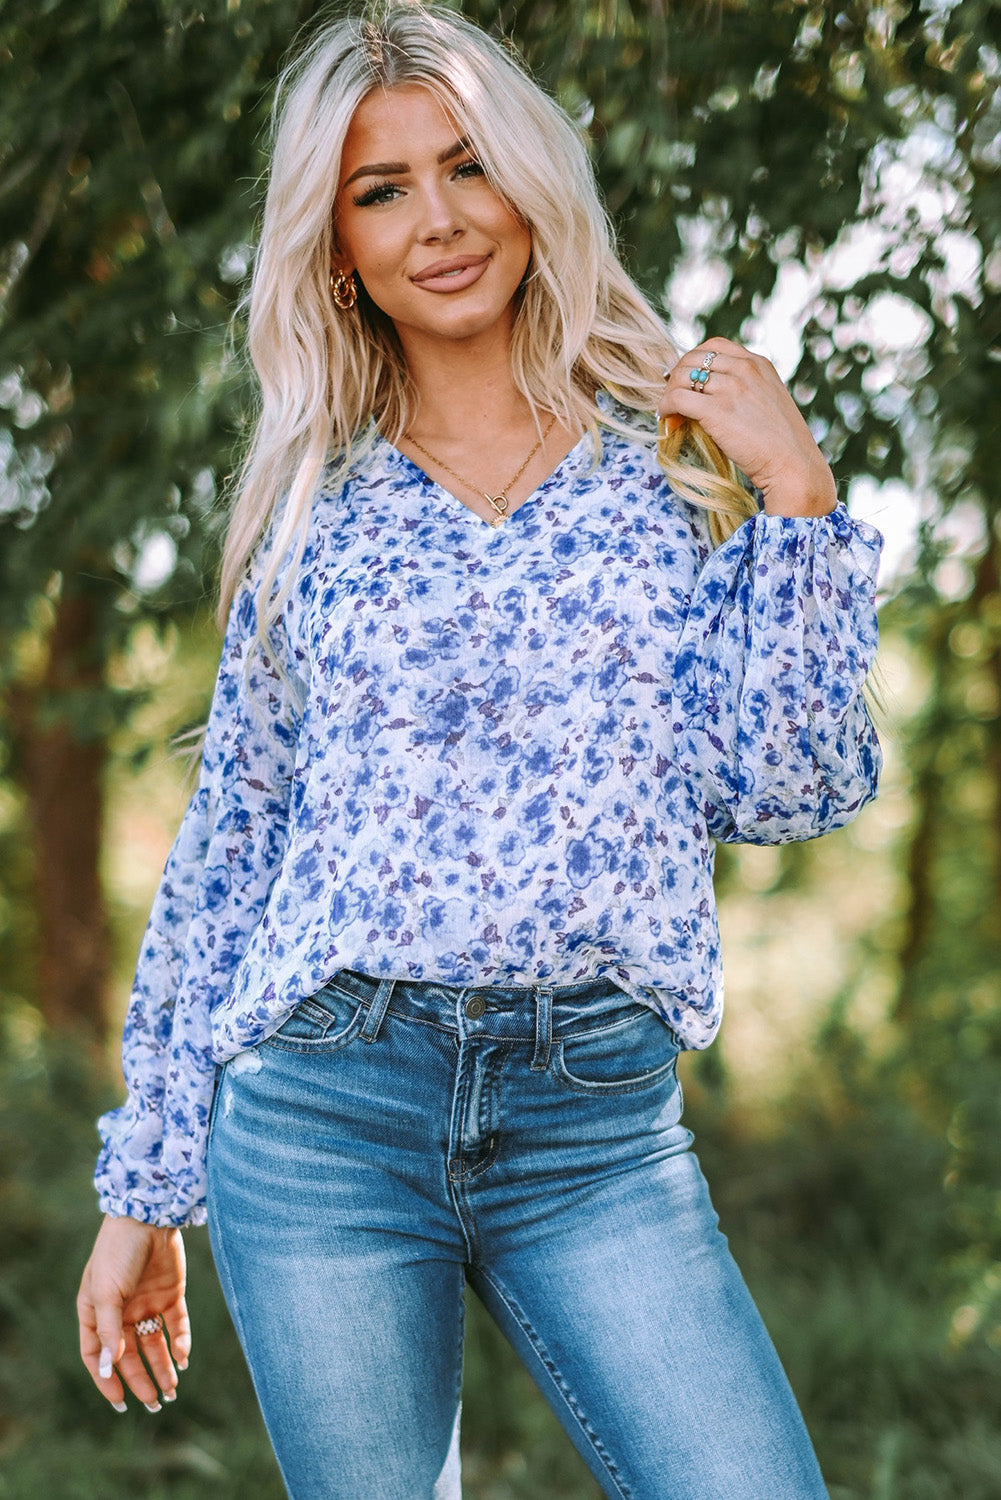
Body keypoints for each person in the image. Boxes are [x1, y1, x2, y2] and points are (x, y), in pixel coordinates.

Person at [76, 4, 884, 1496]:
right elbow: (234, 844)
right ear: (334, 242)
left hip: (595, 1129)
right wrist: (146, 1187)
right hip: (324, 1115)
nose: (437, 221)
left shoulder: (678, 464)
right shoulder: (313, 511)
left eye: (468, 168)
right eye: (380, 190)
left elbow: (791, 785)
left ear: (532, 189)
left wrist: (797, 498)